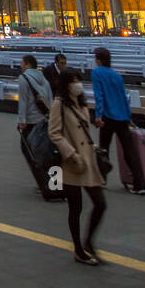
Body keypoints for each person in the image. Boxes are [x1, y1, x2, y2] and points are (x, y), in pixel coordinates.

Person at [48, 68, 106, 264]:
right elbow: (54, 133)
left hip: (87, 160)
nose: (77, 84)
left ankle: (88, 241)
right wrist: (71, 153)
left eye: (78, 80)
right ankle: (79, 249)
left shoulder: (81, 102)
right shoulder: (59, 104)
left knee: (100, 203)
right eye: (73, 81)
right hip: (72, 162)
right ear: (65, 85)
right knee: (76, 207)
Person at [91, 47, 145, 194]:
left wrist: (98, 115)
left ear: (99, 60)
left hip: (108, 116)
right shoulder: (117, 75)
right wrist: (128, 117)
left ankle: (101, 179)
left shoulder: (97, 73)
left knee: (104, 149)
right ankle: (139, 185)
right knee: (130, 151)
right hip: (122, 116)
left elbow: (99, 96)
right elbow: (123, 98)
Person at [17, 54, 52, 137]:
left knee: (27, 146)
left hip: (30, 119)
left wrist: (22, 120)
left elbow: (23, 100)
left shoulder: (23, 77)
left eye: (22, 63)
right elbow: (50, 96)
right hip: (43, 117)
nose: (20, 66)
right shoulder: (43, 77)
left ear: (28, 65)